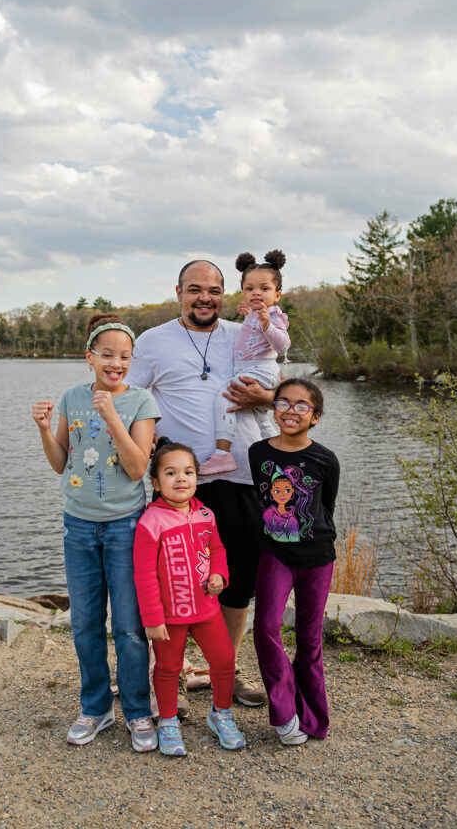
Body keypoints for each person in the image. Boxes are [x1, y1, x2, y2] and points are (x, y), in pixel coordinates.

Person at [127, 259, 274, 707]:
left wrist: (263, 397)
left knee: (235, 582)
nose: (204, 297)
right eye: (195, 289)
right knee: (170, 583)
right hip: (180, 486)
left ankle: (220, 669)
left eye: (213, 290)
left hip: (244, 477)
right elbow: (130, 400)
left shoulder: (247, 332)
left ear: (224, 294)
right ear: (178, 292)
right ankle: (167, 675)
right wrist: (150, 445)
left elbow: (280, 392)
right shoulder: (152, 342)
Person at [32, 314, 159, 752]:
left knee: (128, 627)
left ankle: (139, 712)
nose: (116, 362)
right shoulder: (71, 396)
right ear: (90, 358)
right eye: (107, 355)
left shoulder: (141, 401)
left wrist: (112, 416)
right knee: (86, 623)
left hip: (126, 526)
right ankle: (96, 707)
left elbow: (139, 467)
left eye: (124, 356)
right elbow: (59, 463)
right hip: (78, 526)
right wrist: (45, 430)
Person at [133, 441, 246, 756]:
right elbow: (143, 575)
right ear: (156, 483)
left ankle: (220, 713)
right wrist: (153, 619)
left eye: (188, 472)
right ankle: (168, 720)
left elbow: (218, 550)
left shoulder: (206, 514)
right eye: (171, 473)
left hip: (206, 609)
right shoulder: (150, 522)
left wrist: (220, 576)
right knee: (168, 668)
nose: (181, 479)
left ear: (197, 477)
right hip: (169, 615)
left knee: (223, 661)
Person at [248, 378, 340, 745]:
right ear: (274, 409)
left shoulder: (325, 459)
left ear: (314, 416)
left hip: (317, 557)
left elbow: (326, 509)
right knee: (266, 628)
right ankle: (285, 713)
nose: (291, 410)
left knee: (309, 640)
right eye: (283, 403)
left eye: (302, 405)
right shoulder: (258, 453)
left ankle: (314, 718)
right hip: (275, 554)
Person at [199, 250, 290, 476]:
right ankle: (279, 455)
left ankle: (222, 453)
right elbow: (252, 338)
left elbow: (283, 346)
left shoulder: (273, 315)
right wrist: (249, 316)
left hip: (261, 369)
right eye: (249, 289)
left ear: (277, 294)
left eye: (264, 289)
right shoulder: (255, 314)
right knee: (260, 418)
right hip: (252, 369)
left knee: (224, 397)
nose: (256, 293)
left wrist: (268, 325)